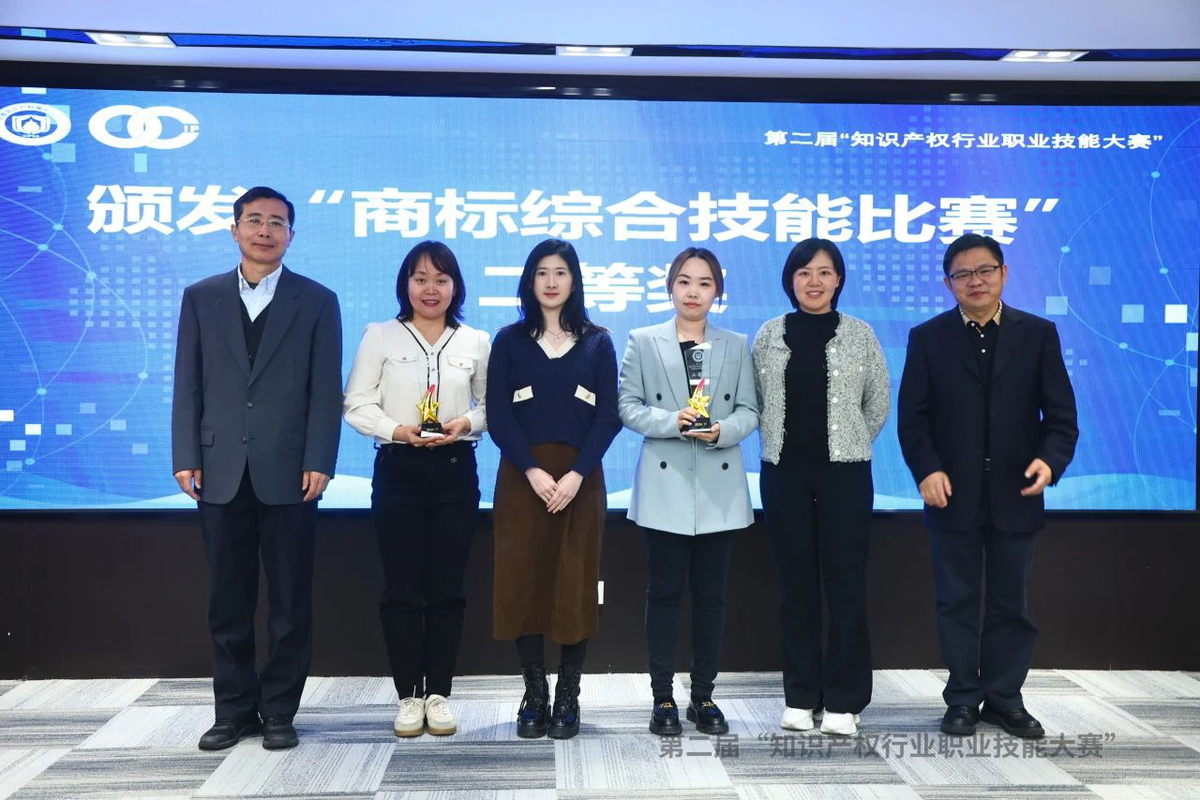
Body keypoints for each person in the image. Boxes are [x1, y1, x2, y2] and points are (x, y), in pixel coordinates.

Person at [171, 186, 342, 751]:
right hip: (218, 468)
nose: (265, 231)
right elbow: (187, 383)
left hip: (291, 471)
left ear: (292, 234)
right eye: (254, 220)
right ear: (235, 229)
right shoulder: (201, 297)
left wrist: (320, 459)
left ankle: (279, 711)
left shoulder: (317, 300)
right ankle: (233, 710)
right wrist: (185, 454)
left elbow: (325, 391)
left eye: (276, 222)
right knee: (228, 600)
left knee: (290, 601)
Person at [898, 233, 1078, 739]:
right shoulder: (928, 337)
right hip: (950, 494)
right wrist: (926, 470)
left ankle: (1004, 698)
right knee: (955, 602)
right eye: (963, 274)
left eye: (984, 270)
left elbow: (1061, 417)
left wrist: (1050, 462)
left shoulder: (1037, 333)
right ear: (948, 283)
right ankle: (961, 698)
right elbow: (913, 419)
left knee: (1010, 605)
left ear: (1003, 273)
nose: (974, 281)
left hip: (1016, 493)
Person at [343, 241, 489, 738]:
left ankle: (439, 694)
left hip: (455, 470)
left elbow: (493, 407)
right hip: (398, 470)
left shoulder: (475, 341)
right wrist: (397, 430)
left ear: (456, 287)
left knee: (447, 589)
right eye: (421, 278)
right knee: (402, 589)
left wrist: (466, 421)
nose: (431, 289)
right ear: (405, 284)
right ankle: (408, 695)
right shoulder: (380, 335)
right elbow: (356, 403)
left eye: (441, 280)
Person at [617, 247, 759, 737]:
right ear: (670, 287)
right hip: (665, 482)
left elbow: (750, 410)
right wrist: (670, 421)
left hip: (719, 486)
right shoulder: (643, 340)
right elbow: (627, 406)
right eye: (684, 281)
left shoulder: (736, 344)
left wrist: (722, 431)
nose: (693, 291)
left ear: (717, 290)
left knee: (711, 598)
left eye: (704, 282)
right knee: (664, 595)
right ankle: (662, 697)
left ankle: (703, 696)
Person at [752, 238, 889, 737]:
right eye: (804, 272)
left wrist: (848, 442)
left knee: (846, 585)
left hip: (845, 474)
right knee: (795, 586)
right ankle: (801, 695)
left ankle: (844, 700)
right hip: (783, 472)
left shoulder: (860, 334)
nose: (814, 281)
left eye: (825, 272)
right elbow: (756, 400)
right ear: (790, 280)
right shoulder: (769, 334)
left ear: (838, 280)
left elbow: (877, 403)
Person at [485, 239, 621, 740]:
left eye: (560, 272)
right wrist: (533, 471)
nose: (550, 281)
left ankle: (568, 694)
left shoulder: (598, 342)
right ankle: (535, 692)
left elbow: (608, 416)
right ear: (529, 280)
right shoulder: (509, 340)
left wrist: (577, 474)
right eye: (541, 272)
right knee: (523, 580)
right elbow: (499, 414)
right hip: (523, 479)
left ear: (574, 280)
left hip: (580, 479)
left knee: (575, 582)